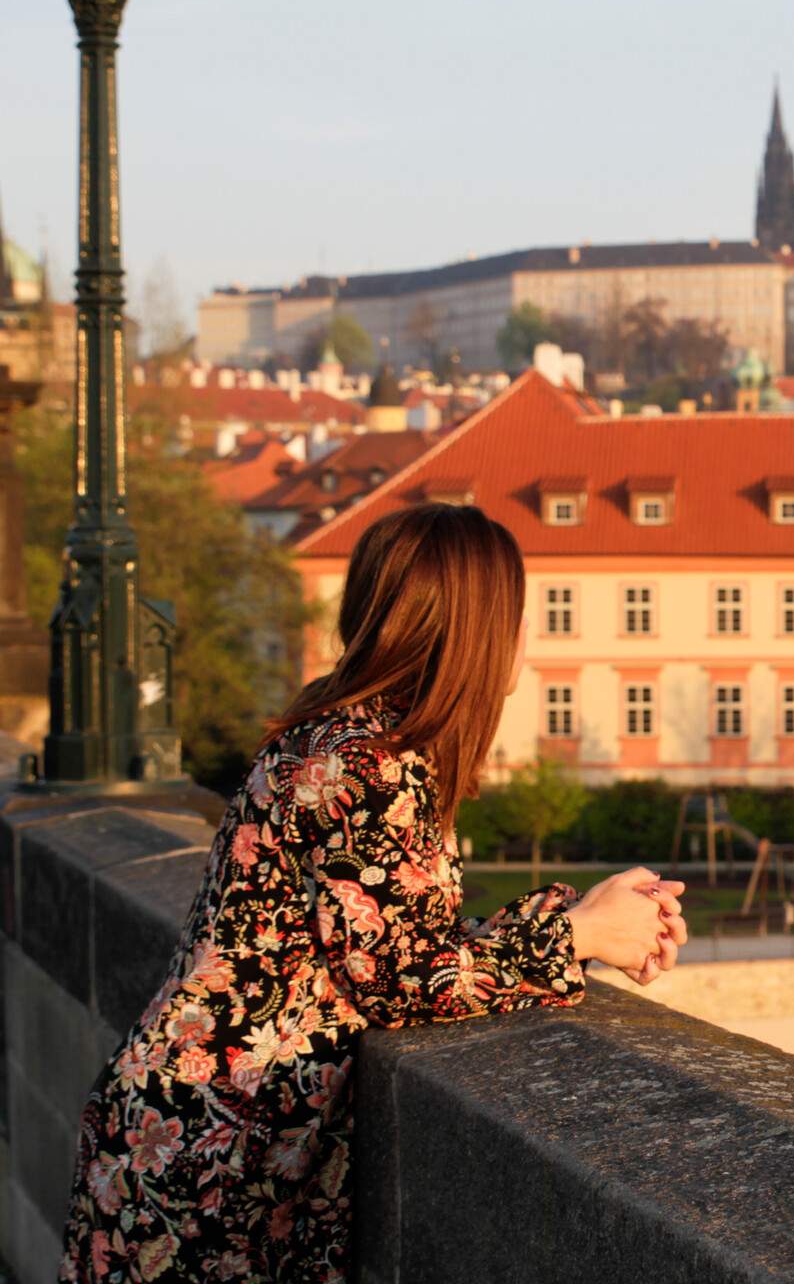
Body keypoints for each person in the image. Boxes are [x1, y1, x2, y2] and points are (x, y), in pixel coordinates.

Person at [57, 504, 688, 1282]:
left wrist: (577, 917)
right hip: (212, 1165)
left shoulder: (344, 734)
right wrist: (581, 938)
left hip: (193, 1138)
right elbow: (401, 981)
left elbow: (389, 934)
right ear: (476, 626)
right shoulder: (371, 764)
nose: (528, 635)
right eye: (518, 613)